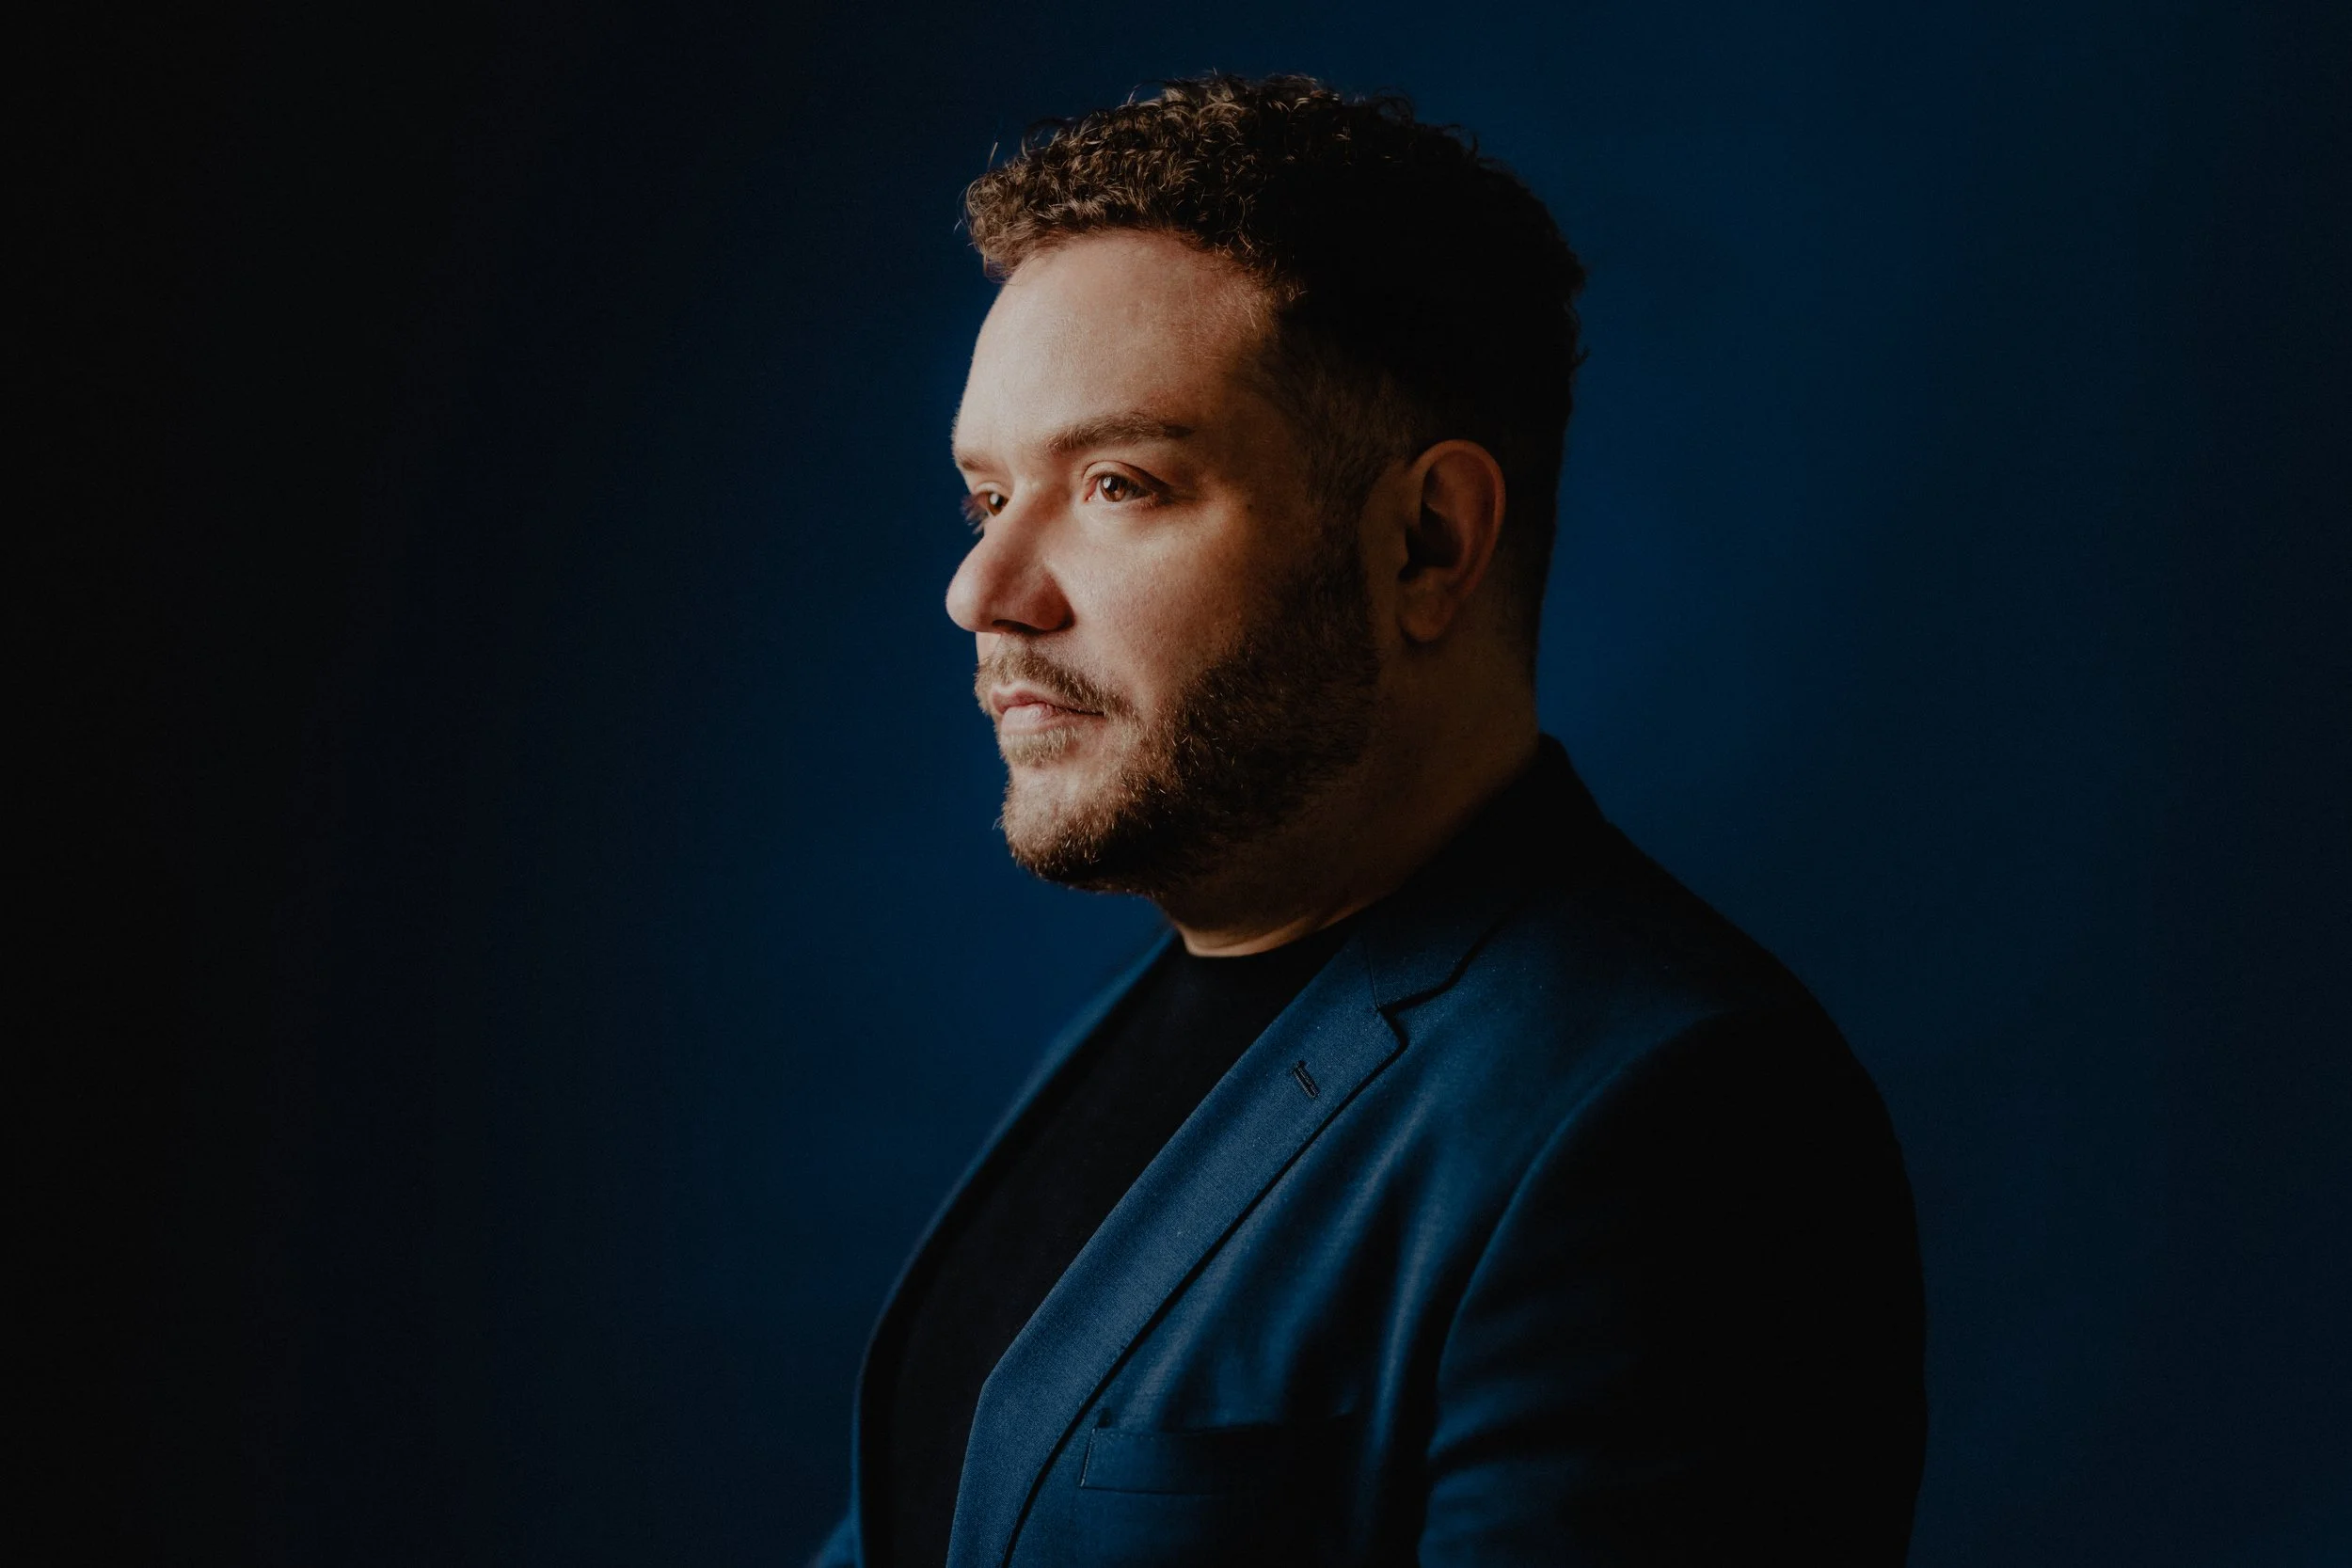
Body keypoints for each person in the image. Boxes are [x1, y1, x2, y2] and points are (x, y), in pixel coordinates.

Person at [812, 73, 1925, 1568]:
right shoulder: (1141, 1022)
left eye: (1119, 482)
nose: (985, 591)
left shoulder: (1679, 1128)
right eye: (986, 494)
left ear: (1428, 540)